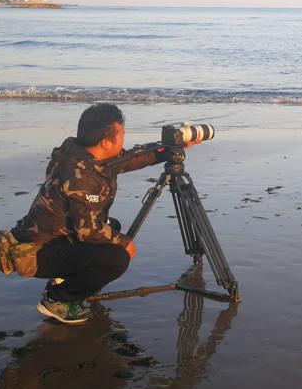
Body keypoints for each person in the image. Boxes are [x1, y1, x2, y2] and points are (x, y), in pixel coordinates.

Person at [12, 103, 181, 324]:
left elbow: (127, 159)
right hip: (36, 252)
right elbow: (88, 231)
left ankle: (65, 281)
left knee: (112, 226)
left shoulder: (80, 153)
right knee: (117, 258)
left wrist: (165, 151)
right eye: (121, 135)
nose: (123, 141)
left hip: (52, 237)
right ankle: (58, 300)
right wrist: (123, 242)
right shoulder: (80, 176)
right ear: (105, 142)